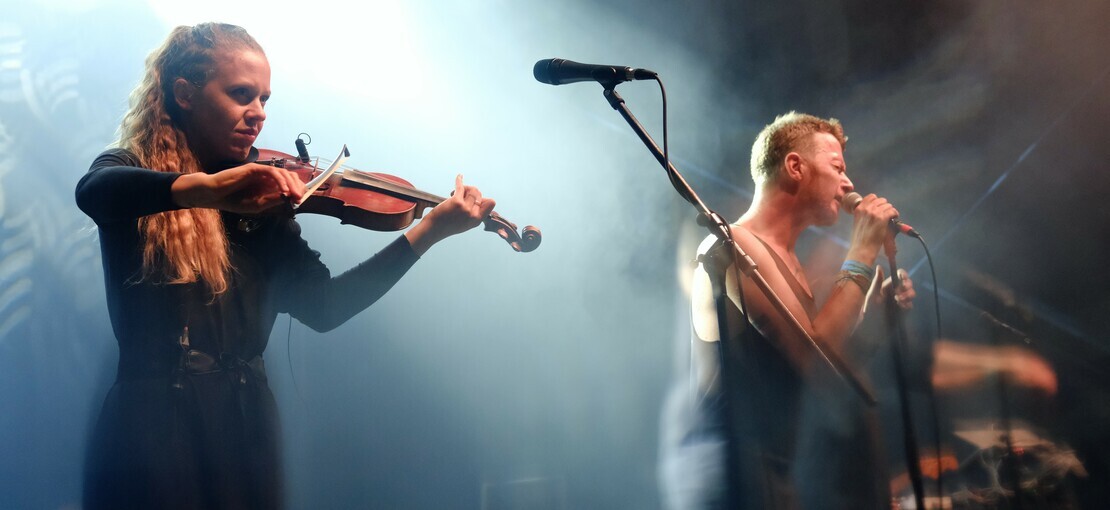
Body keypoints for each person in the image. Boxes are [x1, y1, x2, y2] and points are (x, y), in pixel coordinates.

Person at [74, 23, 494, 509]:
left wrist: (428, 232)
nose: (257, 115)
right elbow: (94, 193)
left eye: (265, 100)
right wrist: (210, 189)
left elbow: (325, 306)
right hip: (156, 428)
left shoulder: (264, 204)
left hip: (246, 425)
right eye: (240, 95)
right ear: (185, 94)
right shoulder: (134, 170)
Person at [676, 112, 916, 509]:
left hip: (776, 474)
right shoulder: (732, 244)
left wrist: (876, 319)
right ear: (795, 167)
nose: (849, 182)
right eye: (837, 166)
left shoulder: (789, 264)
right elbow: (811, 355)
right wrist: (860, 253)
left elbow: (821, 375)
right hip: (733, 476)